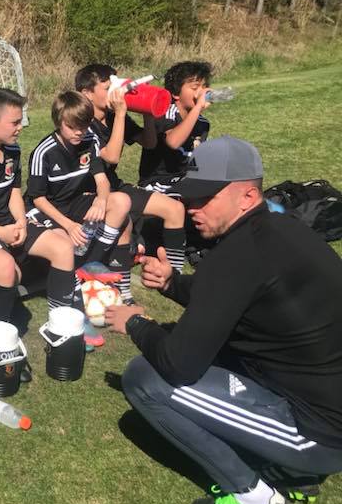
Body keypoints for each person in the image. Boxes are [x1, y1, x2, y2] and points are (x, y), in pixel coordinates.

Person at [108, 136, 342, 504]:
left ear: (247, 196)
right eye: (189, 196)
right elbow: (231, 294)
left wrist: (134, 322)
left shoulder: (235, 256)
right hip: (323, 397)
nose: (191, 208)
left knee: (144, 379)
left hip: (322, 434)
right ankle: (293, 472)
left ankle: (256, 501)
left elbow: (177, 365)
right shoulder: (282, 229)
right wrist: (171, 283)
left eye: (205, 198)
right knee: (203, 343)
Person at [0, 88, 82, 330]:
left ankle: (61, 325)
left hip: (9, 223)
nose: (21, 127)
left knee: (63, 247)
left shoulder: (13, 151)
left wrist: (20, 221)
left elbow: (14, 192)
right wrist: (0, 232)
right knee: (8, 269)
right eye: (15, 122)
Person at [25, 91, 132, 346]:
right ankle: (72, 311)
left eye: (83, 126)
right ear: (58, 121)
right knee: (63, 242)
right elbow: (38, 199)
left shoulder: (90, 139)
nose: (78, 132)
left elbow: (102, 180)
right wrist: (69, 225)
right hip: (46, 209)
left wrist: (101, 200)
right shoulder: (43, 152)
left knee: (121, 202)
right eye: (72, 126)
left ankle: (89, 266)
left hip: (74, 202)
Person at [76, 64, 188, 296]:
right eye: (107, 88)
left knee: (175, 209)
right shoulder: (80, 122)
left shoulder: (112, 116)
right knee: (124, 223)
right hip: (91, 192)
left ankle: (174, 276)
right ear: (87, 93)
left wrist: (147, 112)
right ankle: (123, 292)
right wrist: (120, 113)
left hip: (115, 185)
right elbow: (111, 156)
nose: (114, 92)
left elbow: (149, 142)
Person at [137, 61, 213, 195]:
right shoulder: (164, 113)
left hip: (185, 180)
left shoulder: (202, 123)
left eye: (204, 86)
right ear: (176, 94)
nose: (201, 92)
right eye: (195, 88)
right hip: (158, 183)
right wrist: (198, 108)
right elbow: (173, 142)